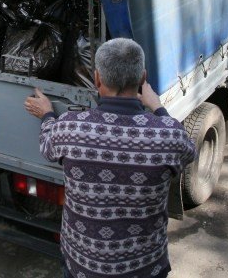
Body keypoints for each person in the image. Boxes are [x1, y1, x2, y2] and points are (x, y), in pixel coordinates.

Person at [24, 38, 196, 278]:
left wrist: (47, 115)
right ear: (143, 78)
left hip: (82, 266)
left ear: (97, 79)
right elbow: (188, 151)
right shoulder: (168, 135)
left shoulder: (70, 129)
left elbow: (47, 146)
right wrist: (157, 107)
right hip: (145, 268)